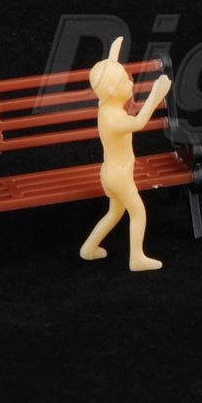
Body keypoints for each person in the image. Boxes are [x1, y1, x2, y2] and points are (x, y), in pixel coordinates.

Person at [80, 37, 172, 270]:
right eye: (125, 79)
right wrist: (155, 95)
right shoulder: (116, 120)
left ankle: (89, 248)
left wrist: (113, 57)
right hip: (120, 176)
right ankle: (137, 258)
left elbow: (107, 82)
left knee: (114, 213)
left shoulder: (104, 107)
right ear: (113, 90)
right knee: (138, 213)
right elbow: (139, 122)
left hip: (109, 174)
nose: (131, 81)